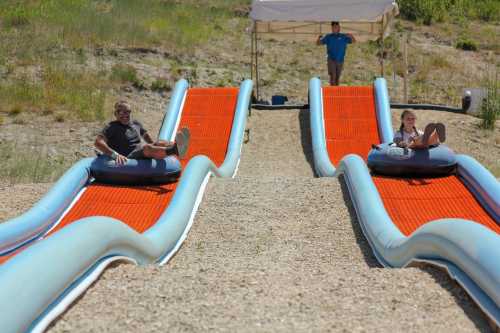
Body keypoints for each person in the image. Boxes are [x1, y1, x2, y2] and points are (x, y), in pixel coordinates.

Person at [95, 101, 190, 165]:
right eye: (121, 112)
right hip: (129, 156)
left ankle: (177, 145)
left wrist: (156, 146)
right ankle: (175, 151)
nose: (125, 115)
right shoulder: (112, 127)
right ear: (115, 114)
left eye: (127, 112)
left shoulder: (135, 123)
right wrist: (114, 155)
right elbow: (98, 142)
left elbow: (146, 136)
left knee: (160, 142)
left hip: (140, 151)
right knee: (147, 148)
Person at [316, 21, 356, 86]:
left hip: (340, 60)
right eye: (333, 27)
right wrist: (318, 38)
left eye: (336, 27)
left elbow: (354, 41)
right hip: (331, 60)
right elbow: (318, 43)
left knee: (337, 77)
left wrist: (351, 36)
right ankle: (332, 92)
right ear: (331, 28)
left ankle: (336, 92)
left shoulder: (343, 36)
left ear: (339, 28)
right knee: (333, 77)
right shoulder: (328, 37)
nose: (334, 29)